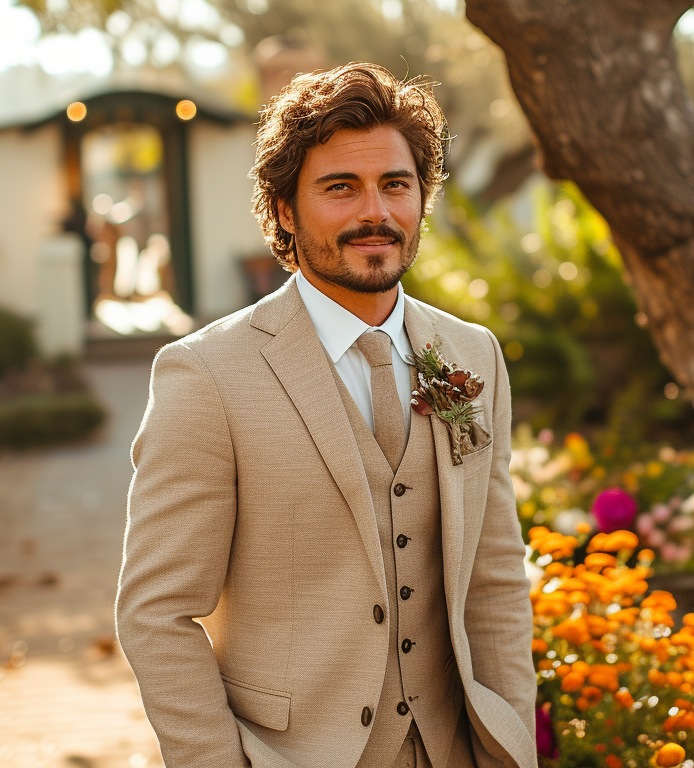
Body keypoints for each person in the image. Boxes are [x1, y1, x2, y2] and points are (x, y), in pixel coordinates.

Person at [115, 62, 537, 768]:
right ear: (284, 211)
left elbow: (494, 577)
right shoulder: (206, 376)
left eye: (395, 185)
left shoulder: (473, 355)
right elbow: (156, 614)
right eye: (340, 188)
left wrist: (512, 737)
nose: (374, 212)